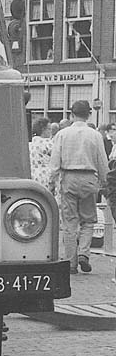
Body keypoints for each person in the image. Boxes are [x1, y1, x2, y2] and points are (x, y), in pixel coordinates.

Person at [49, 99, 109, 275]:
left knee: (69, 222)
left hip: (68, 178)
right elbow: (102, 161)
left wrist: (52, 182)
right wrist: (105, 182)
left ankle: (70, 262)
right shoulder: (95, 135)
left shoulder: (62, 134)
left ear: (71, 114)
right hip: (89, 178)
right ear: (89, 114)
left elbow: (55, 161)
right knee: (88, 220)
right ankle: (83, 253)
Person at [28, 117, 56, 190]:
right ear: (43, 129)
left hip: (32, 176)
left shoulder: (29, 145)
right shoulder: (48, 144)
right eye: (49, 129)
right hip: (46, 176)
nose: (51, 132)